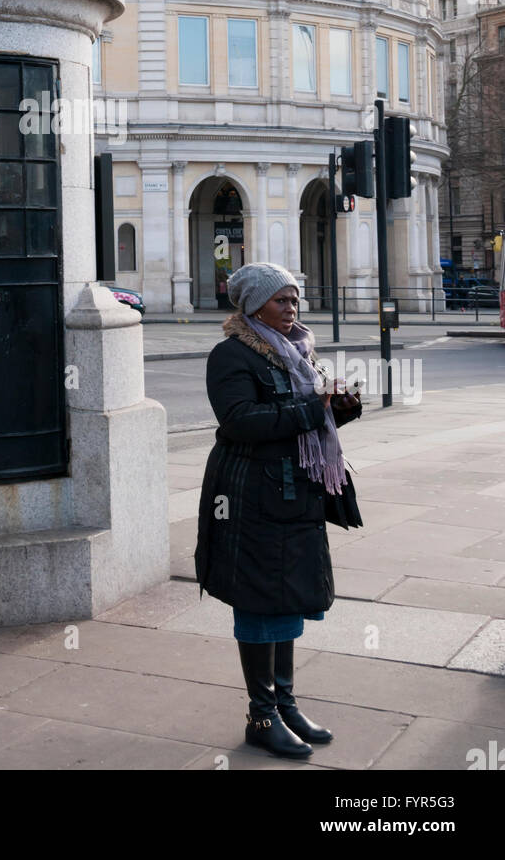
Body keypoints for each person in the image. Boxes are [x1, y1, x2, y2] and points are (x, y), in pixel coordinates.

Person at [194, 263, 362, 760]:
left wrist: (341, 406)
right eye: (280, 301)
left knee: (287, 599)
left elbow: (308, 417)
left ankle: (285, 704)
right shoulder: (231, 354)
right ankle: (261, 716)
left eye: (294, 299)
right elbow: (240, 420)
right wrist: (315, 410)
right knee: (259, 598)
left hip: (295, 492)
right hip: (251, 494)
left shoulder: (300, 352)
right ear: (253, 306)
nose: (291, 309)